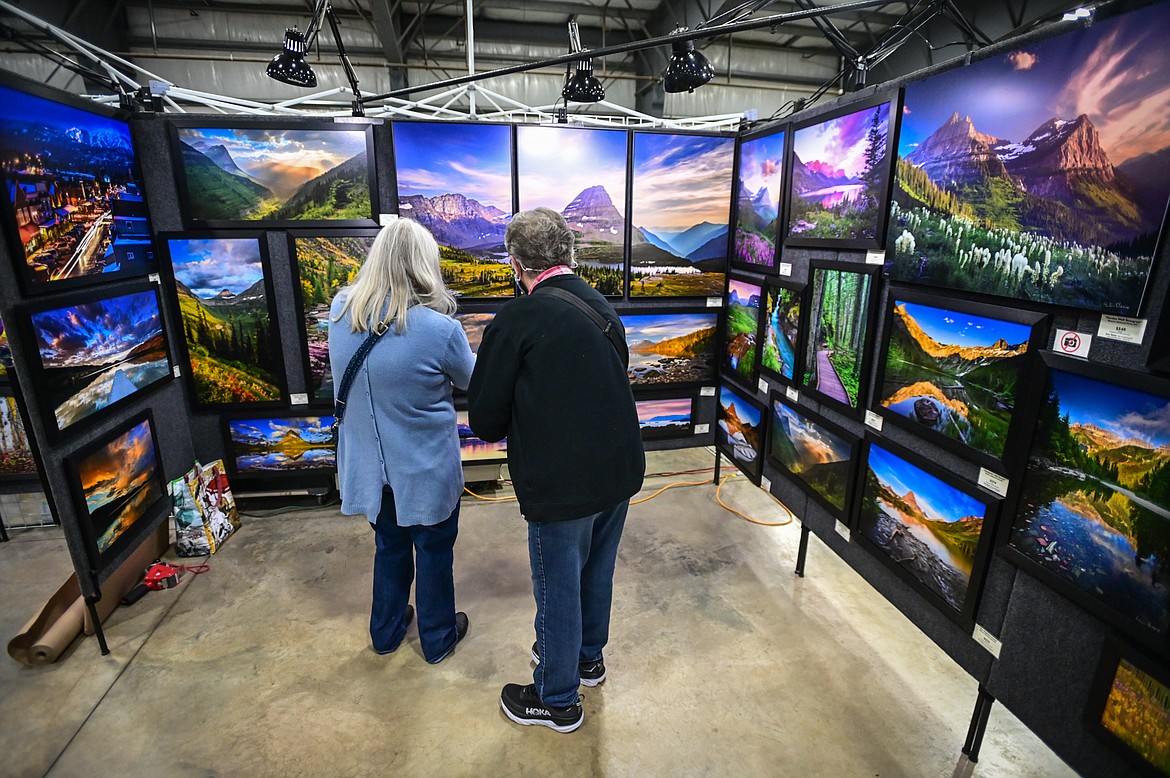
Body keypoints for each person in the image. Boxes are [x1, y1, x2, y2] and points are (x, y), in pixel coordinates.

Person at [468, 207, 645, 733]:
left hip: (560, 481)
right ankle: (588, 659)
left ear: (515, 262)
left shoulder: (516, 319)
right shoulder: (600, 306)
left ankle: (557, 697)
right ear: (568, 252)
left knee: (558, 584)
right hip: (618, 469)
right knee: (596, 570)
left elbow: (485, 420)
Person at [329, 217, 474, 663]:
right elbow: (474, 380)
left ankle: (387, 632)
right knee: (433, 552)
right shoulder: (439, 330)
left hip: (370, 473)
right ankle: (437, 638)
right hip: (424, 470)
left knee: (389, 546)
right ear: (424, 265)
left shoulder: (339, 311)